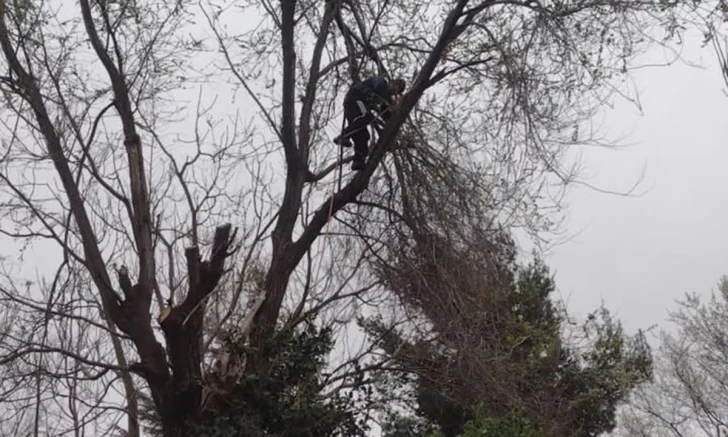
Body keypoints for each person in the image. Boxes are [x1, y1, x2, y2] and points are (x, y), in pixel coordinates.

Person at [333, 76, 406, 170]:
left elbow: (386, 115)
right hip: (355, 98)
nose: (393, 92)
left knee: (363, 135)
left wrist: (395, 111)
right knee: (366, 116)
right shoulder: (381, 81)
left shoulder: (385, 97)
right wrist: (391, 103)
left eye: (396, 92)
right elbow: (379, 89)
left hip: (357, 110)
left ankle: (358, 161)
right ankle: (343, 136)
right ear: (392, 83)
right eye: (395, 89)